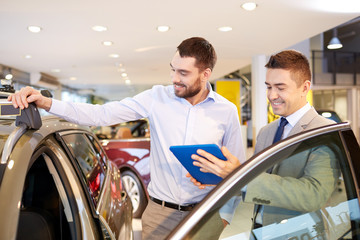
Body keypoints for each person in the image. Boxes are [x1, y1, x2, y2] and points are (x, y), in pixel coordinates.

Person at [9, 37, 246, 239]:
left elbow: (237, 168)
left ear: (205, 75)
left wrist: (225, 216)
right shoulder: (157, 98)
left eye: (183, 73)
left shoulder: (226, 111)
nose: (174, 78)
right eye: (173, 68)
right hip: (159, 215)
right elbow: (102, 113)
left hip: (205, 213)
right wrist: (47, 103)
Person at [189, 49, 339, 229]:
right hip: (259, 231)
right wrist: (218, 177)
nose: (271, 95)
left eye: (280, 88)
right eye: (269, 86)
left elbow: (313, 195)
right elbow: (256, 184)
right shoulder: (267, 132)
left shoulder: (325, 131)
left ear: (305, 88)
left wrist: (239, 175)